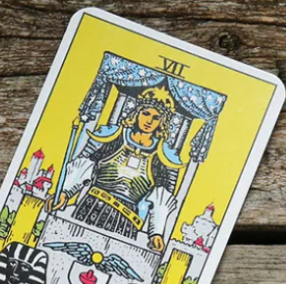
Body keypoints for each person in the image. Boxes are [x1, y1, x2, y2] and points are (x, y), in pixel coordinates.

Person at [48, 86, 185, 252]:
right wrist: (64, 193)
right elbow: (84, 165)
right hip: (92, 207)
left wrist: (156, 233)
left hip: (126, 221)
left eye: (155, 118)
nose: (149, 121)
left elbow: (162, 198)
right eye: (146, 113)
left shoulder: (162, 157)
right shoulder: (114, 137)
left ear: (161, 123)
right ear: (137, 113)